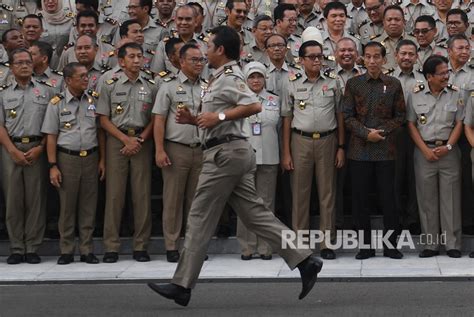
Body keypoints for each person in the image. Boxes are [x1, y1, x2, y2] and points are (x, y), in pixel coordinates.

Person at [147, 26, 323, 307]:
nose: (205, 50)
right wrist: (195, 120)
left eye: (208, 45)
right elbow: (222, 116)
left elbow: (253, 105)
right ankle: (304, 260)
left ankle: (182, 285)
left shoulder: (229, 76)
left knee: (198, 218)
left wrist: (217, 116)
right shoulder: (217, 78)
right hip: (230, 151)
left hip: (224, 155)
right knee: (255, 215)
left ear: (220, 50)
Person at [342, 41, 405, 260]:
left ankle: (391, 246)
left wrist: (382, 132)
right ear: (362, 59)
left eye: (376, 57)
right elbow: (347, 116)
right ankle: (365, 246)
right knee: (360, 200)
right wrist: (365, 133)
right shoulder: (353, 84)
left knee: (389, 198)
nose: (372, 61)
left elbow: (400, 116)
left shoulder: (394, 84)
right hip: (359, 150)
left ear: (384, 59)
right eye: (368, 57)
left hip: (386, 150)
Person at [96, 42, 157, 263]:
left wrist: (139, 139)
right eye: (131, 56)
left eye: (139, 56)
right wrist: (125, 139)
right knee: (115, 195)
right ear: (121, 61)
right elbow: (103, 118)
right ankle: (111, 246)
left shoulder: (151, 84)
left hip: (142, 140)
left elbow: (155, 118)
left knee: (141, 195)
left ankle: (141, 245)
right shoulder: (109, 83)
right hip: (117, 140)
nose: (137, 60)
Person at [41, 62, 106, 264]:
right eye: (81, 76)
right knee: (67, 206)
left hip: (91, 156)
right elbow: (51, 136)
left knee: (89, 205)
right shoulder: (56, 103)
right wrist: (53, 165)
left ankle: (87, 250)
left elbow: (100, 131)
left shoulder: (93, 100)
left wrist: (103, 159)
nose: (86, 79)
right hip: (67, 158)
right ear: (68, 80)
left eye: (87, 76)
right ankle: (66, 250)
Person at [0, 48, 55, 264]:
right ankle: (16, 247)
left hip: (36, 148)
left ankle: (32, 246)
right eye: (19, 62)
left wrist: (41, 147)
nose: (24, 66)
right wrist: (12, 151)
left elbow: (51, 125)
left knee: (36, 199)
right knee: (13, 199)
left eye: (28, 62)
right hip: (9, 148)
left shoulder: (45, 91)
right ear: (11, 67)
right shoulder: (3, 93)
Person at [407, 55, 464, 258]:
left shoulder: (456, 93)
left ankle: (452, 244)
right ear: (429, 76)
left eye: (447, 72)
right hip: (424, 152)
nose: (446, 76)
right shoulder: (416, 95)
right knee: (427, 200)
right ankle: (431, 244)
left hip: (448, 152)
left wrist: (449, 146)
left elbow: (459, 123)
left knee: (450, 198)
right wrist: (424, 149)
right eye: (442, 73)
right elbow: (411, 124)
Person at [152, 44, 205, 263]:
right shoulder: (169, 86)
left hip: (200, 149)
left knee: (197, 201)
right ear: (181, 62)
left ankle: (193, 245)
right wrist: (159, 149)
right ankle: (172, 245)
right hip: (176, 148)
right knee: (173, 199)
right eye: (194, 60)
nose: (199, 63)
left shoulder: (207, 86)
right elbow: (159, 120)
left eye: (202, 60)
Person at [236, 61, 281, 261]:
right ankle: (247, 247)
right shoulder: (238, 100)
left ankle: (265, 247)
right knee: (245, 203)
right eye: (252, 77)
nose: (255, 80)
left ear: (265, 78)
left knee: (266, 203)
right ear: (245, 80)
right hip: (245, 157)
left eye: (259, 76)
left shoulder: (274, 99)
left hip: (269, 155)